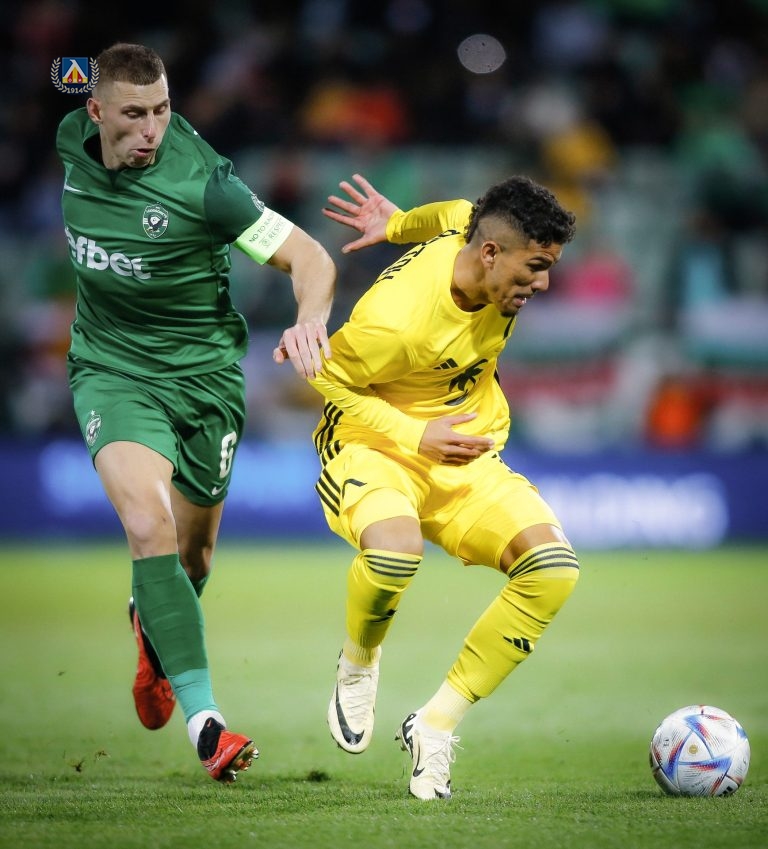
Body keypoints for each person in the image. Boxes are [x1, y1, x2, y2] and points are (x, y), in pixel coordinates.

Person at [56, 43, 336, 783]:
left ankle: (152, 627)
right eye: (134, 114)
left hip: (205, 383)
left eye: (162, 110)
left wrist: (309, 321)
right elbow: (65, 68)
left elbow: (311, 257)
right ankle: (207, 724)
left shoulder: (208, 186)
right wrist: (69, 61)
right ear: (95, 111)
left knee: (194, 556)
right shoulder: (70, 125)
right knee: (147, 526)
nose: (151, 129)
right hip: (111, 373)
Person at [310, 173, 579, 800]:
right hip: (375, 446)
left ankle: (434, 725)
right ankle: (359, 661)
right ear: (490, 253)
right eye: (536, 267)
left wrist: (395, 224)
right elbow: (323, 373)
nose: (543, 284)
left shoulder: (471, 226)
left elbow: (453, 211)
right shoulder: (394, 322)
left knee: (553, 570)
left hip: (463, 452)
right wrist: (413, 433)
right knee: (395, 554)